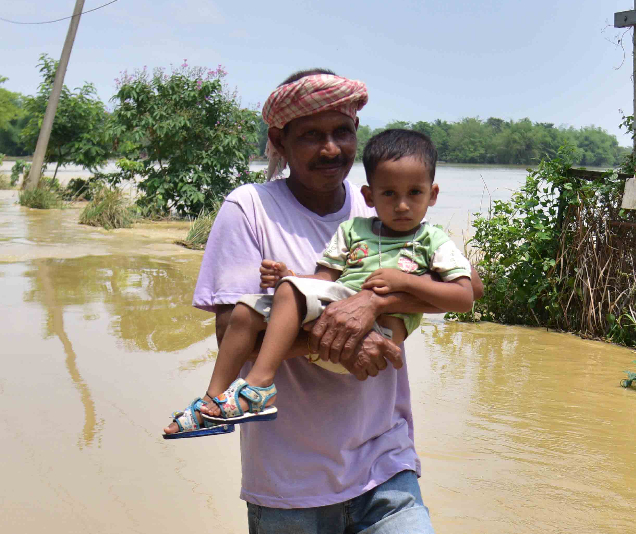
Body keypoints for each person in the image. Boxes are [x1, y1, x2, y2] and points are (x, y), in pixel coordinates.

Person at [186, 69, 477, 534]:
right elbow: (233, 329)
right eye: (309, 135)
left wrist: (374, 299)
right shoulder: (249, 211)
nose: (329, 147)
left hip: (381, 448)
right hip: (287, 459)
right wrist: (338, 337)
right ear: (278, 142)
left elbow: (457, 286)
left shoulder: (385, 208)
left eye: (341, 131)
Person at [168, 127, 472, 434]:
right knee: (246, 312)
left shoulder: (432, 240)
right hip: (336, 321)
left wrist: (404, 283)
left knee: (289, 296)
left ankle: (258, 385)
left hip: (379, 339)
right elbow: (324, 279)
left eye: (415, 193)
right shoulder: (355, 230)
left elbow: (465, 296)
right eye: (389, 194)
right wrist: (291, 278)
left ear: (433, 194)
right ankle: (211, 402)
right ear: (369, 196)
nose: (402, 205)